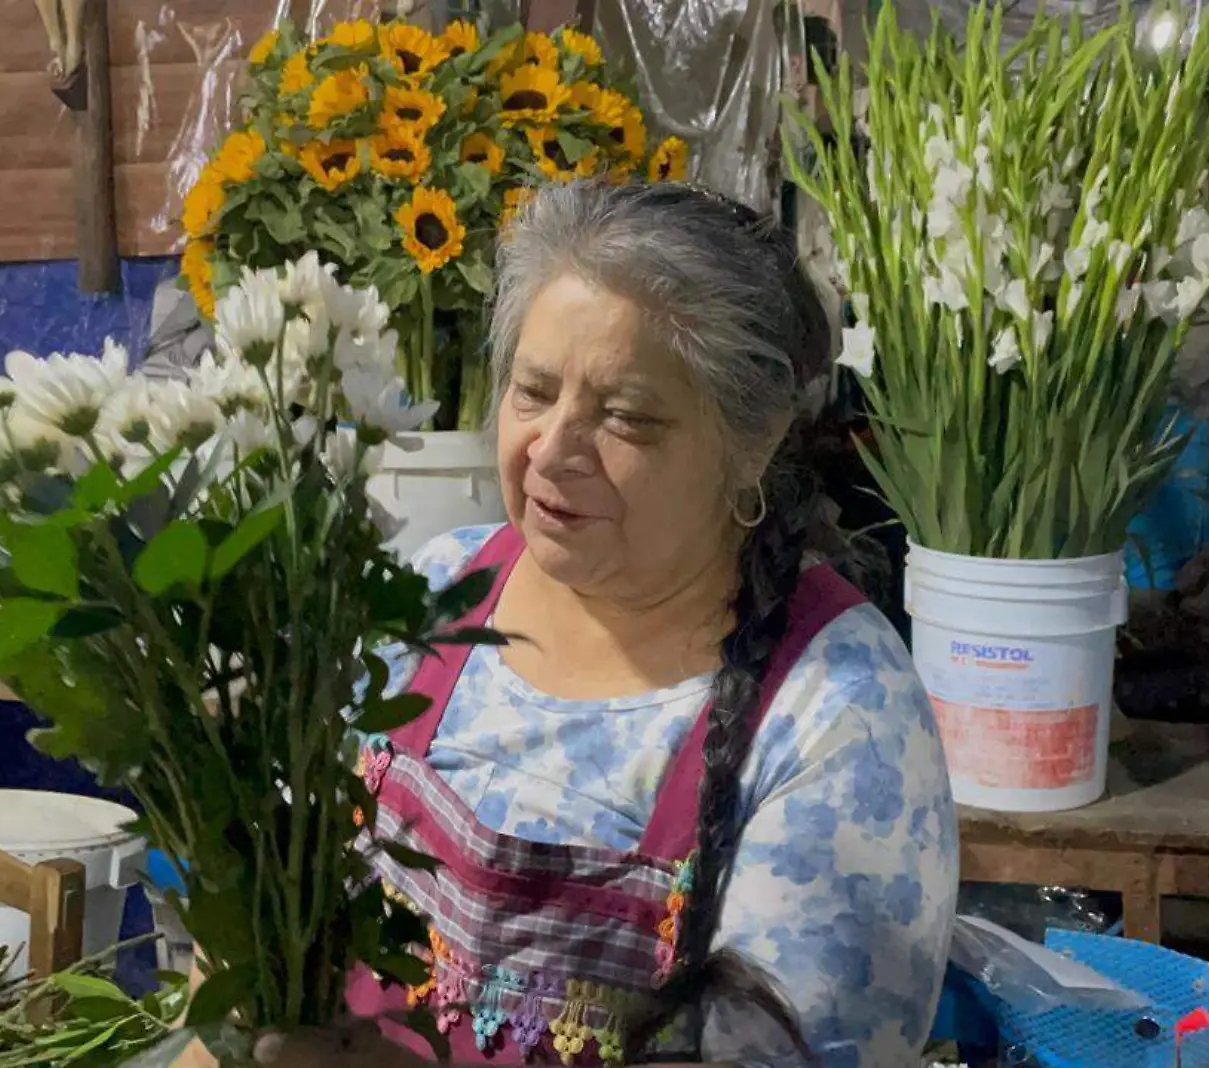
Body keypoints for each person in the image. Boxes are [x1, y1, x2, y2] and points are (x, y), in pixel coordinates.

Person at [244, 181, 960, 1067]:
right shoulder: (432, 594)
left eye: (625, 416)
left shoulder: (841, 715)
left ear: (757, 439)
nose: (552, 450)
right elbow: (267, 905)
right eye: (533, 392)